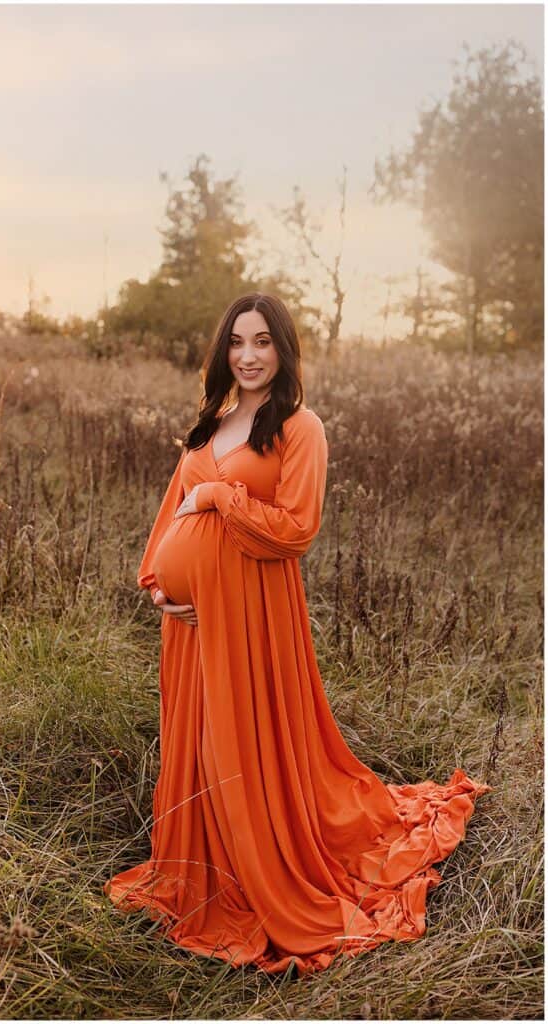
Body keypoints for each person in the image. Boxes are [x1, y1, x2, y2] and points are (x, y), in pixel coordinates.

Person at [103, 292, 492, 975]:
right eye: (236, 343)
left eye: (262, 342)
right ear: (222, 352)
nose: (248, 355)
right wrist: (160, 587)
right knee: (198, 742)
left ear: (282, 351)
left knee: (243, 736)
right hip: (193, 628)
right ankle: (207, 864)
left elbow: (296, 528)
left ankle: (264, 864)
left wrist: (219, 497)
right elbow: (168, 519)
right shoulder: (209, 427)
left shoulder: (299, 427)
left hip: (252, 614)